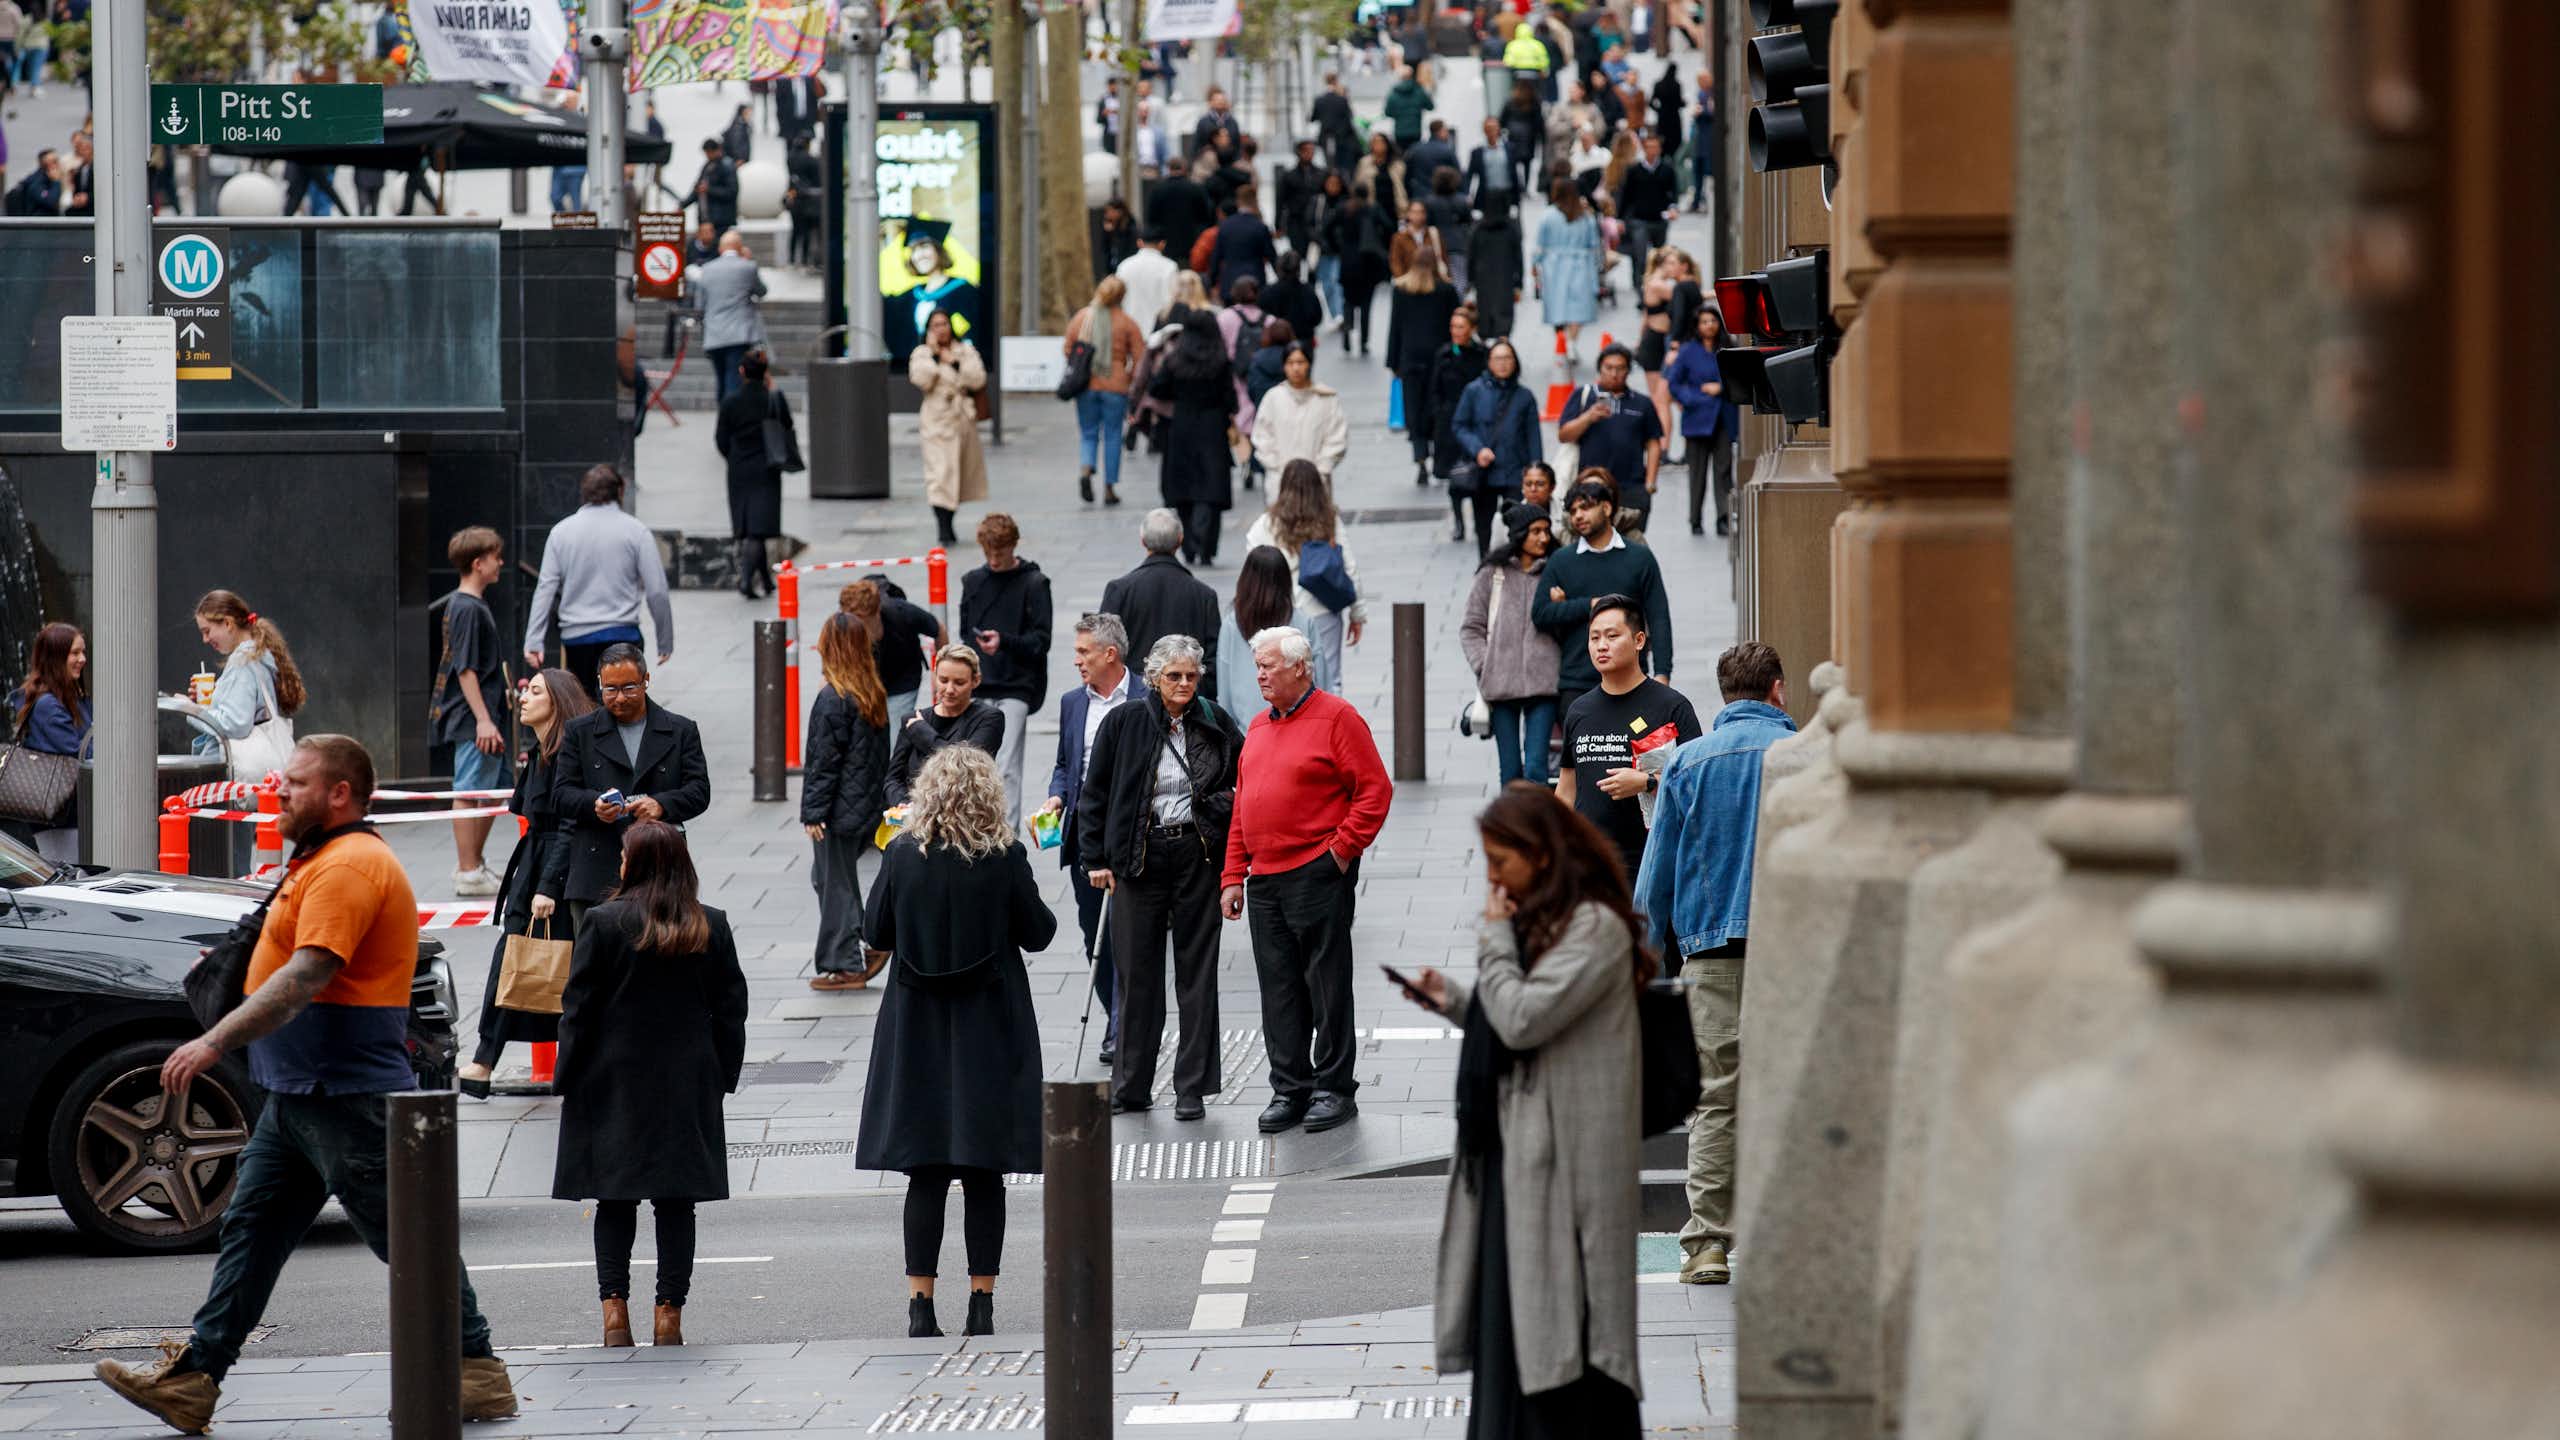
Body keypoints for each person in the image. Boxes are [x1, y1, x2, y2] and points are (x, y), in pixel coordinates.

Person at [95, 738, 520, 1433]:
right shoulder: (322, 858)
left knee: (406, 1237)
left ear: (339, 794)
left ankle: (477, 1371)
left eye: (294, 783)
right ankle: (196, 1379)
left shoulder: (353, 864)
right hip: (297, 1093)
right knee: (252, 1232)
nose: (279, 791)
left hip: (343, 1092)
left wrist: (213, 1040)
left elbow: (308, 974)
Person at [1394, 784, 1646, 1436]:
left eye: (1501, 862)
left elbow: (1525, 1019)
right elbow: (1518, 1013)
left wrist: (1494, 937)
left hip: (1564, 1168)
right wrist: (1451, 998)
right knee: (1517, 1329)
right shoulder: (1554, 921)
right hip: (1523, 1155)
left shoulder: (1595, 928)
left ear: (1542, 856)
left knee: (1561, 1335)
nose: (1493, 881)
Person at [857, 746, 1056, 1339]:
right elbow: (1040, 934)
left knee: (925, 1172)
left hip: (917, 1029)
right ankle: (981, 1304)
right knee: (983, 1171)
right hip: (988, 1030)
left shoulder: (900, 857)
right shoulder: (1004, 857)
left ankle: (921, 1306)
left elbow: (874, 931)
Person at [552, 821, 747, 1348]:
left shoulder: (602, 921)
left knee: (614, 1199)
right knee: (675, 1202)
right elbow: (732, 1011)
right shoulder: (711, 924)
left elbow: (578, 1010)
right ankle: (669, 1315)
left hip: (611, 1079)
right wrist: (723, 1074)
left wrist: (565, 1076)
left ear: (632, 864)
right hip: (686, 1081)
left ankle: (615, 1313)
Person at [1634, 642, 1792, 1287]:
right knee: (1789, 1094)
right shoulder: (1806, 757)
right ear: (1778, 690)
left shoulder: (1688, 762)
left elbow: (1656, 877)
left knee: (1716, 1100)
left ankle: (1705, 1246)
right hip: (1794, 954)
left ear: (1725, 695)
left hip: (1710, 952)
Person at [1220, 627, 1392, 1135]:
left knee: (1326, 984)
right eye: (1257, 667)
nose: (1260, 675)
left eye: (1268, 666)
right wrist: (1233, 874)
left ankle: (1334, 1088)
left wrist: (1340, 852)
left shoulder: (1338, 717)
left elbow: (1374, 791)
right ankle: (1289, 1088)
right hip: (1266, 879)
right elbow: (1242, 808)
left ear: (1301, 667)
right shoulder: (1257, 726)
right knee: (1278, 990)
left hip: (1316, 871)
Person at [1081, 634, 1242, 1119]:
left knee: (1197, 973)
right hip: (1138, 856)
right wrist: (1095, 857)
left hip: (1197, 853)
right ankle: (1131, 1085)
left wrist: (1216, 810)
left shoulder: (1213, 720)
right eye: (1174, 676)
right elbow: (1095, 792)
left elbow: (1244, 776)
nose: (1184, 684)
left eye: (1191, 675)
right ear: (1153, 677)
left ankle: (1191, 1089)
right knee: (1136, 975)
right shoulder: (1125, 721)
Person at [459, 667, 592, 1098]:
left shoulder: (567, 754)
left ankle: (486, 1060)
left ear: (559, 701)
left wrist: (548, 888)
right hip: (534, 864)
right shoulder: (539, 753)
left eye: (535, 692)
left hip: (556, 871)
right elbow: (526, 811)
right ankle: (484, 1059)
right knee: (513, 958)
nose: (524, 698)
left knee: (554, 966)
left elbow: (570, 825)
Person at [1041, 613, 1142, 1060]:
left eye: (1084, 652)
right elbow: (1066, 764)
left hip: (1133, 833)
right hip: (1085, 833)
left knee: (1126, 933)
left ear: (1110, 654)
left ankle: (1124, 1026)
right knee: (1090, 932)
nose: (1077, 660)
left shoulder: (1144, 696)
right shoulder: (1071, 702)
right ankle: (1114, 1016)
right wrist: (1055, 797)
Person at [555, 645, 713, 928]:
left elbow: (699, 791)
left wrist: (661, 804)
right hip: (597, 865)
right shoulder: (580, 732)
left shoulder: (680, 730)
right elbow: (562, 794)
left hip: (659, 865)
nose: (619, 698)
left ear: (646, 681)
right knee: (597, 963)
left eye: (629, 688)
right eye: (610, 689)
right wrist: (594, 805)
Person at [1556, 595, 1700, 881]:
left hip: (1655, 867)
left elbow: (1698, 784)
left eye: (1612, 636)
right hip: (1590, 869)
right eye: (1594, 637)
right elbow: (1566, 790)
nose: (1601, 645)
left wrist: (1647, 783)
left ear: (1638, 640)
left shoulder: (1672, 707)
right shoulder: (1579, 711)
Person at [522, 464, 676, 698]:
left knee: (585, 709)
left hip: (577, 639)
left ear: (583, 493)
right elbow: (657, 591)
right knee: (624, 707)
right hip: (624, 634)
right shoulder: (636, 531)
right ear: (620, 491)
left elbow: (546, 588)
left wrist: (534, 640)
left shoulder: (560, 533)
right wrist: (665, 641)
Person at [804, 612, 891, 992]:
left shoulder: (832, 698)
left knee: (832, 882)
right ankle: (863, 946)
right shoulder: (870, 690)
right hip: (864, 805)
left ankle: (849, 961)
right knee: (829, 879)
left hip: (838, 810)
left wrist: (813, 812)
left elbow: (824, 762)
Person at [1535, 479, 1674, 716]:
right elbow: (1540, 613)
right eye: (1573, 511)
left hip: (1633, 681)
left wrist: (1662, 673)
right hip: (1577, 682)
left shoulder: (1639, 558)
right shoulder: (1561, 560)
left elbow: (1658, 616)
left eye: (1586, 507)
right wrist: (1586, 605)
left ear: (1607, 508)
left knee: (1637, 753)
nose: (1578, 515)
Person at [957, 513, 1052, 828]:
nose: (993, 560)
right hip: (981, 684)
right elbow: (964, 630)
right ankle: (979, 829)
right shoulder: (973, 581)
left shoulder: (1034, 583)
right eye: (988, 553)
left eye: (999, 553)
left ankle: (1007, 838)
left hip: (1017, 685)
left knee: (1008, 764)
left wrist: (1004, 642)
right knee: (977, 764)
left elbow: (1041, 640)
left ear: (1013, 546)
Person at [1461, 506, 1564, 786]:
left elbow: (1567, 627)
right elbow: (1471, 627)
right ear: (1519, 535)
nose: (1543, 538)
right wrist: (1485, 666)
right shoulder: (1493, 573)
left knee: (1536, 769)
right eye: (1536, 531)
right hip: (1501, 686)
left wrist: (1560, 607)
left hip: (1544, 685)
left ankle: (1536, 829)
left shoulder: (1556, 572)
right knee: (1509, 772)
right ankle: (1512, 829)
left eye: (1546, 531)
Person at [435, 528, 513, 897]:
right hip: (473, 718)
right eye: (495, 557)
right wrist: (482, 718)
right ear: (478, 563)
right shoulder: (467, 607)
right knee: (469, 789)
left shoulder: (469, 605)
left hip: (482, 716)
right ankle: (468, 869)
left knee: (495, 787)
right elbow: (464, 669)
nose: (500, 563)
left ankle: (474, 864)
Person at [1245, 460, 1367, 686]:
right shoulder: (1329, 521)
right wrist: (1357, 614)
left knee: (1284, 679)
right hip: (1322, 608)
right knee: (1329, 678)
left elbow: (1253, 563)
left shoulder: (1265, 524)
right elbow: (1350, 568)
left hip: (1281, 612)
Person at [1101, 510, 1225, 700]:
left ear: (1143, 540)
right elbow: (1213, 659)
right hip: (1187, 702)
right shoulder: (1204, 595)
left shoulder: (1120, 590)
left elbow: (1104, 650)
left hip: (1132, 699)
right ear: (1180, 540)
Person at [1150, 310, 1240, 567]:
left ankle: (1188, 544)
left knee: (1184, 488)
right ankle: (1207, 546)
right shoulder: (1221, 361)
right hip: (1212, 428)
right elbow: (1230, 400)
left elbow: (1158, 387)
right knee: (1210, 488)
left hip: (1182, 427)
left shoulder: (1175, 360)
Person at [190, 591, 304, 783]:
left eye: (207, 631)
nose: (205, 640)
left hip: (242, 781)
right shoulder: (258, 656)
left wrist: (193, 710)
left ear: (227, 623)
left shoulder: (242, 661)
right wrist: (207, 703)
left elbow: (235, 724)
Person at [714, 348, 798, 599]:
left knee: (751, 527)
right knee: (757, 528)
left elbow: (720, 439)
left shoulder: (731, 401)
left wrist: (733, 456)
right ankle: (747, 580)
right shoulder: (773, 398)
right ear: (765, 373)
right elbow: (787, 425)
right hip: (766, 468)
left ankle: (763, 579)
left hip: (739, 469)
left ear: (741, 371)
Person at [1451, 338, 1544, 557]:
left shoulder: (1525, 396)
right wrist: (1477, 449)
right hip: (1484, 473)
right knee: (1484, 529)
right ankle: (1486, 569)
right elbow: (1459, 425)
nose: (1503, 364)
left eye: (1507, 358)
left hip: (1515, 472)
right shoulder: (1473, 391)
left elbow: (1533, 437)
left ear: (1515, 362)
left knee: (1519, 528)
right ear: (1489, 362)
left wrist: (1535, 472)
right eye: (1497, 358)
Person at [886, 644, 1007, 805]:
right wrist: (903, 803)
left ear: (975, 681)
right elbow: (893, 779)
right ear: (934, 677)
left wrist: (923, 734)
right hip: (914, 819)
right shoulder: (913, 719)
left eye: (959, 682)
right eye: (943, 680)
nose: (949, 689)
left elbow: (965, 770)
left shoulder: (989, 718)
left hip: (964, 816)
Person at [7, 621, 85, 861]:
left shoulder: (66, 698)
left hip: (62, 813)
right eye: (74, 653)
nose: (82, 659)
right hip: (59, 815)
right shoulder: (48, 705)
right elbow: (82, 752)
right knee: (69, 879)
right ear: (55, 658)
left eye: (83, 652)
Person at [910, 310, 989, 547]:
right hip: (936, 420)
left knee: (958, 475)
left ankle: (950, 519)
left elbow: (977, 379)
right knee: (939, 474)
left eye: (944, 324)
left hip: (962, 420)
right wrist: (935, 357)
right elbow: (921, 379)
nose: (941, 329)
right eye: (935, 325)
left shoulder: (965, 350)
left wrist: (953, 362)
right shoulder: (922, 354)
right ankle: (943, 527)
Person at [1068, 276, 1146, 506]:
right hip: (1116, 385)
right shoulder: (1126, 322)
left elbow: (1068, 348)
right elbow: (1140, 357)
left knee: (1088, 432)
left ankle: (1086, 470)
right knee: (1113, 435)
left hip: (1086, 385)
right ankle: (1109, 488)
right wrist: (1128, 376)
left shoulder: (1082, 318)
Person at [1219, 545, 1334, 702]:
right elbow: (1322, 679)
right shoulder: (1303, 621)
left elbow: (1224, 686)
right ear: (1285, 581)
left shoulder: (1231, 624)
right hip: (1299, 719)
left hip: (1246, 724)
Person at [1559, 345, 1666, 506]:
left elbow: (1653, 443)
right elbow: (1564, 435)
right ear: (1599, 369)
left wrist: (1650, 483)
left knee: (1632, 532)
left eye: (1620, 368)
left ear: (1628, 371)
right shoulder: (1583, 395)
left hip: (1631, 488)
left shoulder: (1642, 403)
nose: (1614, 374)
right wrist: (1588, 417)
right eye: (1608, 368)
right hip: (1590, 486)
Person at [1665, 304, 1737, 535]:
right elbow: (1674, 384)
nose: (1710, 326)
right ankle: (1695, 518)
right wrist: (1693, 398)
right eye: (1704, 322)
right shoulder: (1687, 351)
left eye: (1713, 321)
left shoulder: (1728, 349)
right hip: (1697, 418)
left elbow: (1739, 377)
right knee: (1697, 472)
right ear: (1697, 326)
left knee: (1723, 469)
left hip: (1723, 417)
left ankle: (1723, 516)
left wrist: (1721, 387)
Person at [1390, 256, 1462, 485]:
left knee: (1414, 408)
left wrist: (1393, 362)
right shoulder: (1445, 290)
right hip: (1438, 357)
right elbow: (1455, 324)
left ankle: (1420, 456)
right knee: (1436, 407)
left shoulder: (1401, 290)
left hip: (1410, 357)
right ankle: (1438, 455)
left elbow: (1395, 327)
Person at [1428, 305, 1493, 536]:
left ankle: (1478, 518)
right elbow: (1434, 389)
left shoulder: (1482, 355)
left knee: (1476, 473)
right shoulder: (1444, 354)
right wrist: (1437, 415)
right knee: (1454, 476)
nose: (1456, 331)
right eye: (1453, 327)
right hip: (1449, 424)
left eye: (1461, 327)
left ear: (1471, 329)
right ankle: (1458, 522)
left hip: (1475, 423)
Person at [847, 576, 947, 725]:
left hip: (903, 678)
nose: (858, 629)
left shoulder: (902, 612)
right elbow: (833, 665)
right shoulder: (845, 625)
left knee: (894, 736)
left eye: (863, 624)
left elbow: (939, 630)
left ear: (877, 614)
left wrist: (940, 672)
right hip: (867, 682)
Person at [882, 217, 985, 360]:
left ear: (938, 250)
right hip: (915, 370)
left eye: (925, 247)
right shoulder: (912, 295)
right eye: (914, 250)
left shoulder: (964, 290)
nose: (920, 255)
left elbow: (980, 331)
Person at [1250, 343, 1351, 482]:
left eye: (1300, 362)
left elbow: (1337, 437)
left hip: (1316, 484)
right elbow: (1262, 436)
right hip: (1280, 482)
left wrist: (1321, 469)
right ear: (1284, 366)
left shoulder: (1326, 399)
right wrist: (1277, 467)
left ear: (1309, 364)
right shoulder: (1273, 398)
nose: (1296, 368)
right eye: (1290, 363)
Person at [691, 230, 768, 407]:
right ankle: (732, 419)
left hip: (714, 334)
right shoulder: (747, 267)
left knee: (721, 379)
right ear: (740, 248)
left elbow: (699, 305)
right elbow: (762, 291)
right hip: (739, 333)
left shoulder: (707, 270)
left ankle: (724, 418)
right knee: (734, 378)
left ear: (720, 248)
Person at [1535, 180, 1602, 368]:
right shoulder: (1585, 217)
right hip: (1580, 265)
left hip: (1554, 266)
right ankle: (1572, 341)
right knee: (1577, 306)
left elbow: (1541, 244)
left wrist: (1535, 264)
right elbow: (1594, 244)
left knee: (1558, 306)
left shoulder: (1548, 215)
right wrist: (1597, 266)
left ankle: (1562, 340)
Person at [1322, 183, 1392, 355]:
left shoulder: (1343, 209)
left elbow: (1326, 229)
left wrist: (1338, 247)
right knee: (1366, 304)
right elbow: (1389, 227)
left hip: (1348, 261)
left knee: (1348, 301)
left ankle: (1347, 334)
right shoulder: (1373, 209)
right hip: (1369, 263)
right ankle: (1363, 341)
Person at [1618, 130, 1679, 282]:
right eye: (1649, 147)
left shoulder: (1667, 170)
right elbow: (1626, 196)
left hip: (1659, 219)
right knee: (1640, 256)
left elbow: (1673, 193)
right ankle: (1641, 289)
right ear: (1644, 149)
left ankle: (1657, 286)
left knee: (1659, 258)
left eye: (1655, 147)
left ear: (1659, 149)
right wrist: (1619, 219)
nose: (1652, 150)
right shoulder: (1634, 171)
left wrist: (1673, 208)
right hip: (1639, 220)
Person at [1146, 152, 1218, 277]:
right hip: (1191, 245)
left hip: (1166, 246)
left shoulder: (1157, 190)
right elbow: (1207, 217)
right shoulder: (1196, 189)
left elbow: (1151, 219)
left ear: (1168, 168)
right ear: (1185, 168)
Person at [1468, 193, 1527, 343]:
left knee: (1484, 312)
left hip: (1483, 278)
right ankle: (1503, 344)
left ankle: (1484, 346)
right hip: (1505, 277)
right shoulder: (1510, 228)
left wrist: (1471, 280)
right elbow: (1518, 257)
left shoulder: (1478, 228)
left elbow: (1471, 255)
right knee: (1504, 314)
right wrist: (1519, 282)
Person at [1208, 184, 1278, 298]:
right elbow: (1271, 256)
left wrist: (1212, 282)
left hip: (1230, 282)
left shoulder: (1225, 226)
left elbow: (1216, 257)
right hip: (1254, 283)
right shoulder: (1260, 227)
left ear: (1238, 201)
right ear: (1255, 200)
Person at [1115, 226, 1180, 344]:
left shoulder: (1124, 266)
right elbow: (1172, 300)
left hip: (1130, 329)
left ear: (1139, 243)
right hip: (1159, 334)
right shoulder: (1170, 267)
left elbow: (1118, 299)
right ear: (1162, 244)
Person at [1276, 139, 1327, 259]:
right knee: (1297, 254)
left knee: (1314, 256)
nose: (1309, 154)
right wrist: (1278, 225)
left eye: (1311, 151)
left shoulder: (1321, 174)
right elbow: (1280, 201)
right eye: (1306, 151)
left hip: (1315, 222)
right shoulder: (1289, 176)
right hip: (1296, 222)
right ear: (1299, 152)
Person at [1263, 252, 1325, 352]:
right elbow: (1317, 317)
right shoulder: (1307, 290)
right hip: (1304, 341)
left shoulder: (1268, 292)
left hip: (1277, 343)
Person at [1311, 70, 1362, 174]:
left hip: (1325, 136)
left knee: (1328, 163)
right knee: (1341, 164)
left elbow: (1313, 118)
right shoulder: (1342, 100)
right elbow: (1349, 117)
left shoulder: (1319, 100)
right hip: (1341, 137)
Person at [784, 134, 824, 268]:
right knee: (807, 231)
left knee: (796, 230)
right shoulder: (811, 160)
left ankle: (791, 258)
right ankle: (805, 259)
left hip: (795, 198)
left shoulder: (790, 158)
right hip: (808, 199)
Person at [689, 138, 738, 233]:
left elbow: (731, 192)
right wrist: (683, 205)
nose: (708, 155)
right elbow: (697, 190)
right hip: (706, 219)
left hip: (721, 220)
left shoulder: (727, 166)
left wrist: (709, 190)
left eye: (710, 152)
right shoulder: (707, 166)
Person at [1354, 133, 1407, 222]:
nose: (1378, 145)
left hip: (1394, 207)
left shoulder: (1397, 164)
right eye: (1375, 142)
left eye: (1381, 142)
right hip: (1372, 206)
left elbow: (1404, 186)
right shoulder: (1364, 163)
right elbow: (1358, 185)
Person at [1384, 61, 1435, 147]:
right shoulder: (1419, 91)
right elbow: (1430, 107)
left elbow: (1388, 112)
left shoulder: (1393, 93)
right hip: (1415, 131)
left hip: (1399, 132)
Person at [1095, 197, 1139, 280]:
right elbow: (1105, 251)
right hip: (1112, 271)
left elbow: (1128, 251)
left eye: (1109, 211)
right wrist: (1107, 234)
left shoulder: (1131, 230)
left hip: (1126, 271)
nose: (1107, 215)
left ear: (1119, 212)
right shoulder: (1109, 230)